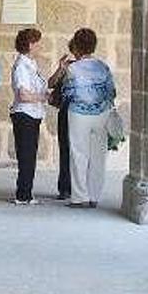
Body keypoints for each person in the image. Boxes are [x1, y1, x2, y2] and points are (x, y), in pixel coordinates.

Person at [61, 28, 116, 208]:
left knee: (78, 154)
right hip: (101, 114)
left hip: (78, 114)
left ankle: (79, 197)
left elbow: (67, 92)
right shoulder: (103, 66)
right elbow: (111, 92)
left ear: (76, 46)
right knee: (99, 156)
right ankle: (94, 197)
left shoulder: (73, 68)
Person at [9, 28, 48, 205]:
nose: (41, 46)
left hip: (33, 114)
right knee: (26, 155)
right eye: (38, 42)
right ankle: (23, 194)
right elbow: (23, 95)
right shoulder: (21, 66)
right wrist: (45, 98)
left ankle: (26, 192)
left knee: (30, 155)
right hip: (24, 114)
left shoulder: (31, 64)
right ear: (31, 44)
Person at [48, 43, 76, 201]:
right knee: (65, 150)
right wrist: (60, 68)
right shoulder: (68, 67)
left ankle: (74, 189)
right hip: (67, 112)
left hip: (77, 113)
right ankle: (65, 188)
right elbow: (50, 84)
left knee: (76, 152)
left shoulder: (88, 68)